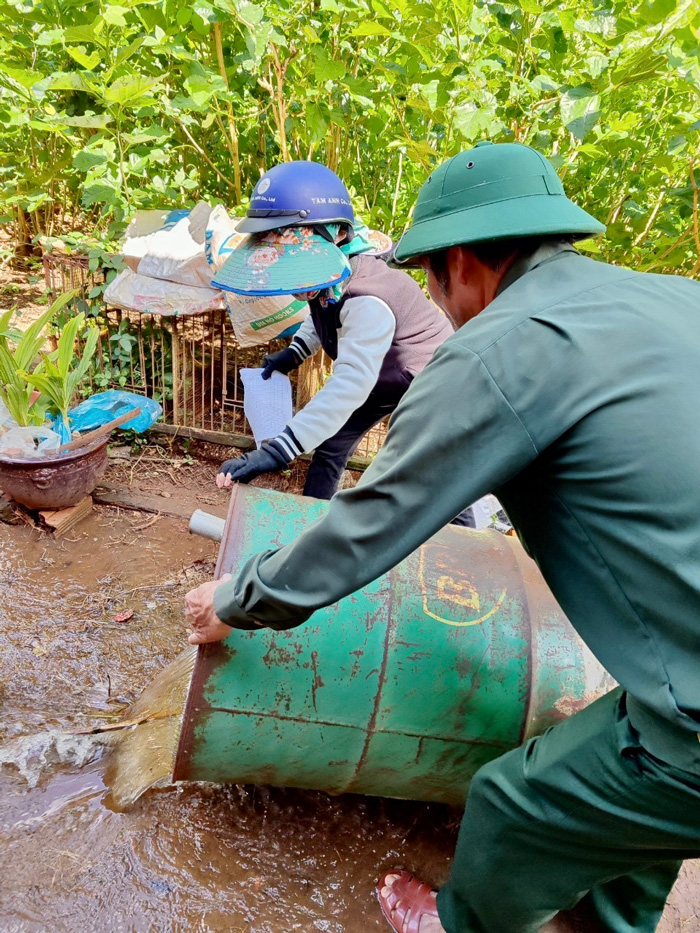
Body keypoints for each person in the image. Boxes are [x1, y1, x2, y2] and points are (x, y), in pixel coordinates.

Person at [186, 140, 700, 933]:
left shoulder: (493, 348)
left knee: (510, 801)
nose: (439, 293)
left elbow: (374, 522)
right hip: (676, 651)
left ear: (460, 263)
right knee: (627, 781)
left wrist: (238, 597)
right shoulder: (674, 298)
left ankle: (456, 923)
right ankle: (611, 923)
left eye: (434, 272)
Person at [211, 160, 462, 507]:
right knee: (331, 446)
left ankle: (467, 551)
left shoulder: (370, 298)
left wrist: (277, 451)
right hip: (380, 377)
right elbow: (323, 316)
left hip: (426, 380)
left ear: (339, 235)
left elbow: (348, 385)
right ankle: (310, 524)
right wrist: (295, 353)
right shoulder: (329, 281)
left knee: (435, 471)